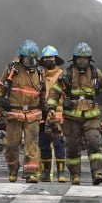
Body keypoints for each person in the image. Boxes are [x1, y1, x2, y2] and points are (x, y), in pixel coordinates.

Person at [47, 41, 102, 185]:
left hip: (91, 116)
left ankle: (97, 173)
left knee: (94, 143)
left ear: (89, 60)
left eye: (85, 59)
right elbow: (55, 92)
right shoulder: (67, 74)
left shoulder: (95, 73)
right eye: (79, 59)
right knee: (73, 147)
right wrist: (51, 108)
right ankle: (75, 175)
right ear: (74, 59)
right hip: (71, 118)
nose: (82, 62)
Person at [0, 39, 46, 183]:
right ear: (21, 57)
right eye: (27, 58)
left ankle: (31, 173)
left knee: (31, 145)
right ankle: (13, 168)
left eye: (32, 58)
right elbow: (1, 87)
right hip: (14, 114)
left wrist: (46, 109)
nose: (29, 61)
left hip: (32, 115)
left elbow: (43, 93)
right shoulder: (11, 70)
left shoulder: (39, 71)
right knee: (10, 145)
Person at [38, 45, 66, 182]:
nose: (49, 60)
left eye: (51, 57)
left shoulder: (62, 75)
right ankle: (45, 172)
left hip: (57, 114)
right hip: (42, 114)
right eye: (46, 58)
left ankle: (61, 172)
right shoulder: (38, 75)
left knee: (58, 143)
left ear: (56, 59)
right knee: (43, 144)